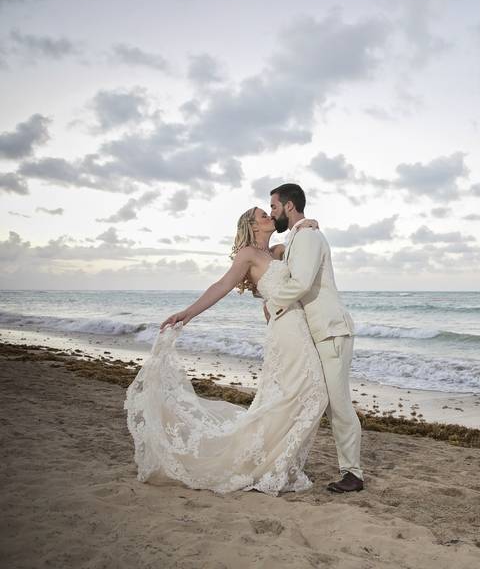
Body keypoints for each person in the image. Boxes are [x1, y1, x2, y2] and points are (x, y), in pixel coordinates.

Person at [124, 207, 325, 495]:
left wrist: (309, 224)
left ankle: (274, 461)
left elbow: (300, 254)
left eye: (269, 212)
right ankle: (268, 463)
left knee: (295, 393)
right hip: (286, 332)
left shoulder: (279, 251)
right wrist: (188, 313)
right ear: (252, 226)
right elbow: (222, 285)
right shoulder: (247, 254)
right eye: (262, 215)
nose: (269, 216)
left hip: (297, 327)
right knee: (307, 392)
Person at [267, 183, 362, 493]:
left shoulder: (307, 236)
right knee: (320, 400)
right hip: (320, 332)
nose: (272, 212)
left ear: (289, 206)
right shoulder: (300, 235)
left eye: (274, 207)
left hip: (331, 330)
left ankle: (353, 474)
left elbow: (303, 282)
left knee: (338, 405)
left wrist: (272, 303)